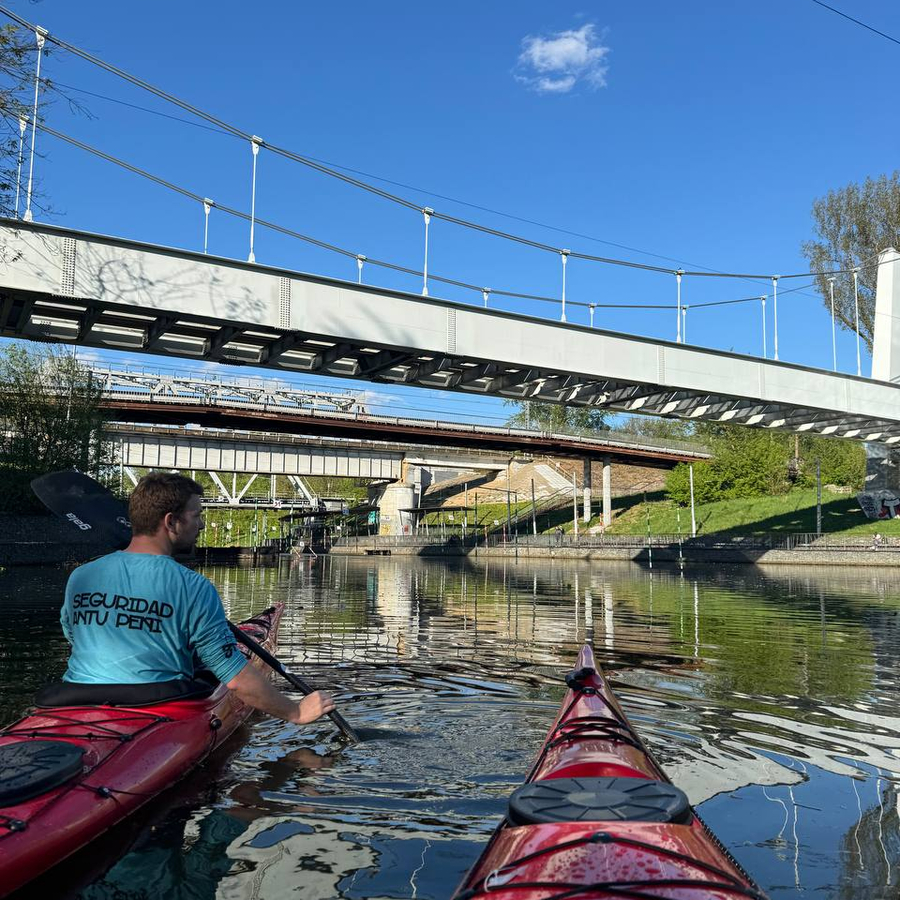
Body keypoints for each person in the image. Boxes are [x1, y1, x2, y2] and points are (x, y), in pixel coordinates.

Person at [46, 473, 335, 727]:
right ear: (171, 521)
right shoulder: (193, 586)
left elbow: (75, 636)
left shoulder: (81, 576)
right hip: (157, 708)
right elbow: (235, 679)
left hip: (73, 701)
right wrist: (296, 711)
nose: (201, 524)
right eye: (196, 515)